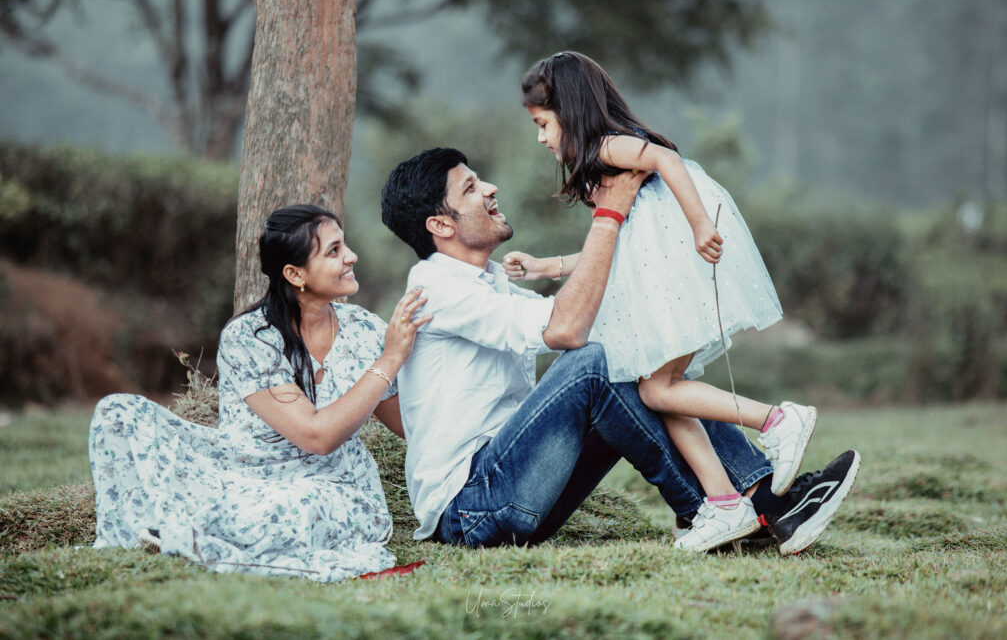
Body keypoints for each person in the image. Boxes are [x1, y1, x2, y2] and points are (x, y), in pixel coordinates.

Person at [380, 147, 860, 555]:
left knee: (627, 351)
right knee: (597, 362)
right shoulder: (437, 289)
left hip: (516, 488)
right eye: (470, 188)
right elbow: (568, 330)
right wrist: (608, 216)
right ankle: (715, 510)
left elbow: (592, 318)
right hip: (473, 507)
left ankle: (763, 504)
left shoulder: (489, 282)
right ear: (440, 224)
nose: (489, 189)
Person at [498, 50, 819, 551]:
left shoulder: (608, 145)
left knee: (658, 388)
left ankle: (777, 420)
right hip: (649, 271)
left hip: (672, 267)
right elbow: (608, 246)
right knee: (658, 386)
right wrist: (547, 267)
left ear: (571, 109)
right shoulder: (597, 164)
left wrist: (699, 224)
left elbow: (666, 158)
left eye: (543, 124)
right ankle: (724, 503)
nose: (541, 138)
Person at [89, 204, 431, 582]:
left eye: (344, 245)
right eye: (333, 251)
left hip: (328, 487)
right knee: (118, 411)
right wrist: (391, 357)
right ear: (295, 274)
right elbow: (316, 435)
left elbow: (409, 425)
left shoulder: (365, 330)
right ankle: (172, 528)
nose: (351, 257)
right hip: (237, 473)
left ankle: (187, 533)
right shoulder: (250, 339)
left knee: (300, 505)